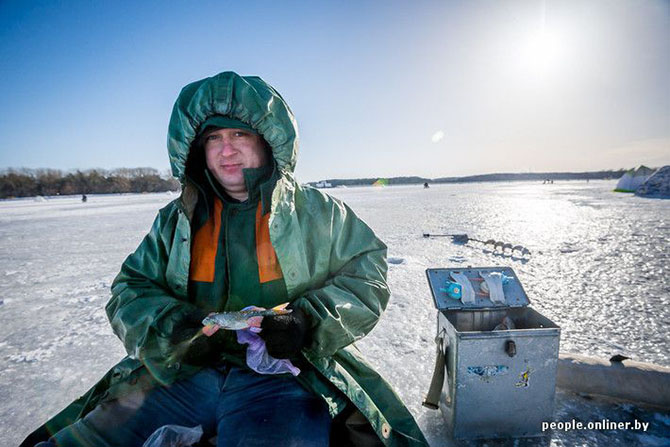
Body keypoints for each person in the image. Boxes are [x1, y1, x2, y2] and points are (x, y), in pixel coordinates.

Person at [22, 71, 428, 447]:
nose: (227, 149)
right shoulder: (175, 220)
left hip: (286, 379)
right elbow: (130, 288)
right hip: (181, 375)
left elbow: (367, 272)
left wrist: (307, 321)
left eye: (239, 134)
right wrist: (173, 327)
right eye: (214, 138)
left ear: (267, 141)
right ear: (199, 149)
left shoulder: (318, 212)